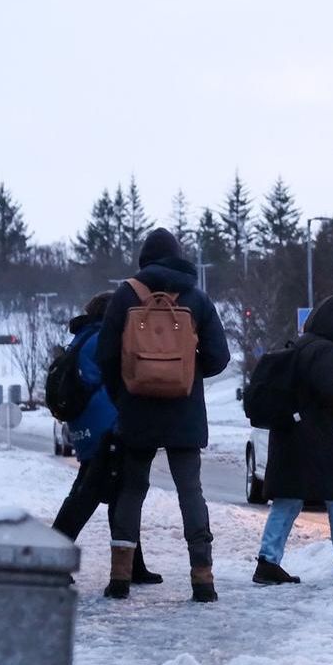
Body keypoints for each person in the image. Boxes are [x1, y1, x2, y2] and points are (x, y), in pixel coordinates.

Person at [95, 228, 230, 602]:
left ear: (143, 262)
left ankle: (120, 577)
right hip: (184, 412)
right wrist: (186, 369)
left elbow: (104, 355)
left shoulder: (125, 296)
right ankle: (203, 579)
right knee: (191, 491)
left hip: (137, 410)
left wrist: (123, 394)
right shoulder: (196, 298)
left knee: (132, 490)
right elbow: (220, 358)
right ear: (178, 257)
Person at [253, 294, 333, 584]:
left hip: (294, 437)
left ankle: (267, 561)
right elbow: (332, 391)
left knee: (288, 499)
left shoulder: (303, 346)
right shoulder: (324, 351)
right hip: (320, 440)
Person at [49, 292, 161, 586]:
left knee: (118, 494)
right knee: (87, 496)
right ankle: (51, 562)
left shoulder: (83, 338)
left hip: (89, 426)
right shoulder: (102, 339)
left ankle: (133, 565)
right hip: (107, 426)